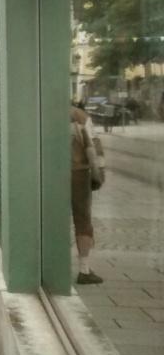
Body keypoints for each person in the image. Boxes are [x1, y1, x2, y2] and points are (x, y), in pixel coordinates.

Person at [71, 101, 106, 284]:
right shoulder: (80, 116)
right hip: (79, 174)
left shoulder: (43, 114)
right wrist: (99, 174)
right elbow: (94, 146)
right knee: (83, 220)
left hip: (51, 176)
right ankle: (84, 269)